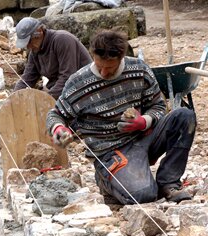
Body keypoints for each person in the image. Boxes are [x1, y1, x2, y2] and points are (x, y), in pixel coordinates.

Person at [46, 29, 196, 204]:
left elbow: (158, 106)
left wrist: (144, 122)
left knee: (184, 117)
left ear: (121, 58)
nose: (103, 72)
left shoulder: (139, 69)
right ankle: (105, 180)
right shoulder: (78, 82)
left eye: (110, 68)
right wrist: (58, 129)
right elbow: (56, 114)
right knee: (144, 195)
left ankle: (169, 183)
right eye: (99, 66)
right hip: (112, 152)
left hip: (145, 138)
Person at [14, 17, 91, 100]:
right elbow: (27, 78)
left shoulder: (62, 40)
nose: (28, 47)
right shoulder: (35, 50)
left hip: (83, 87)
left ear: (40, 32)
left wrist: (45, 99)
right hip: (59, 87)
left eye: (29, 41)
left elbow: (67, 77)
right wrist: (13, 98)